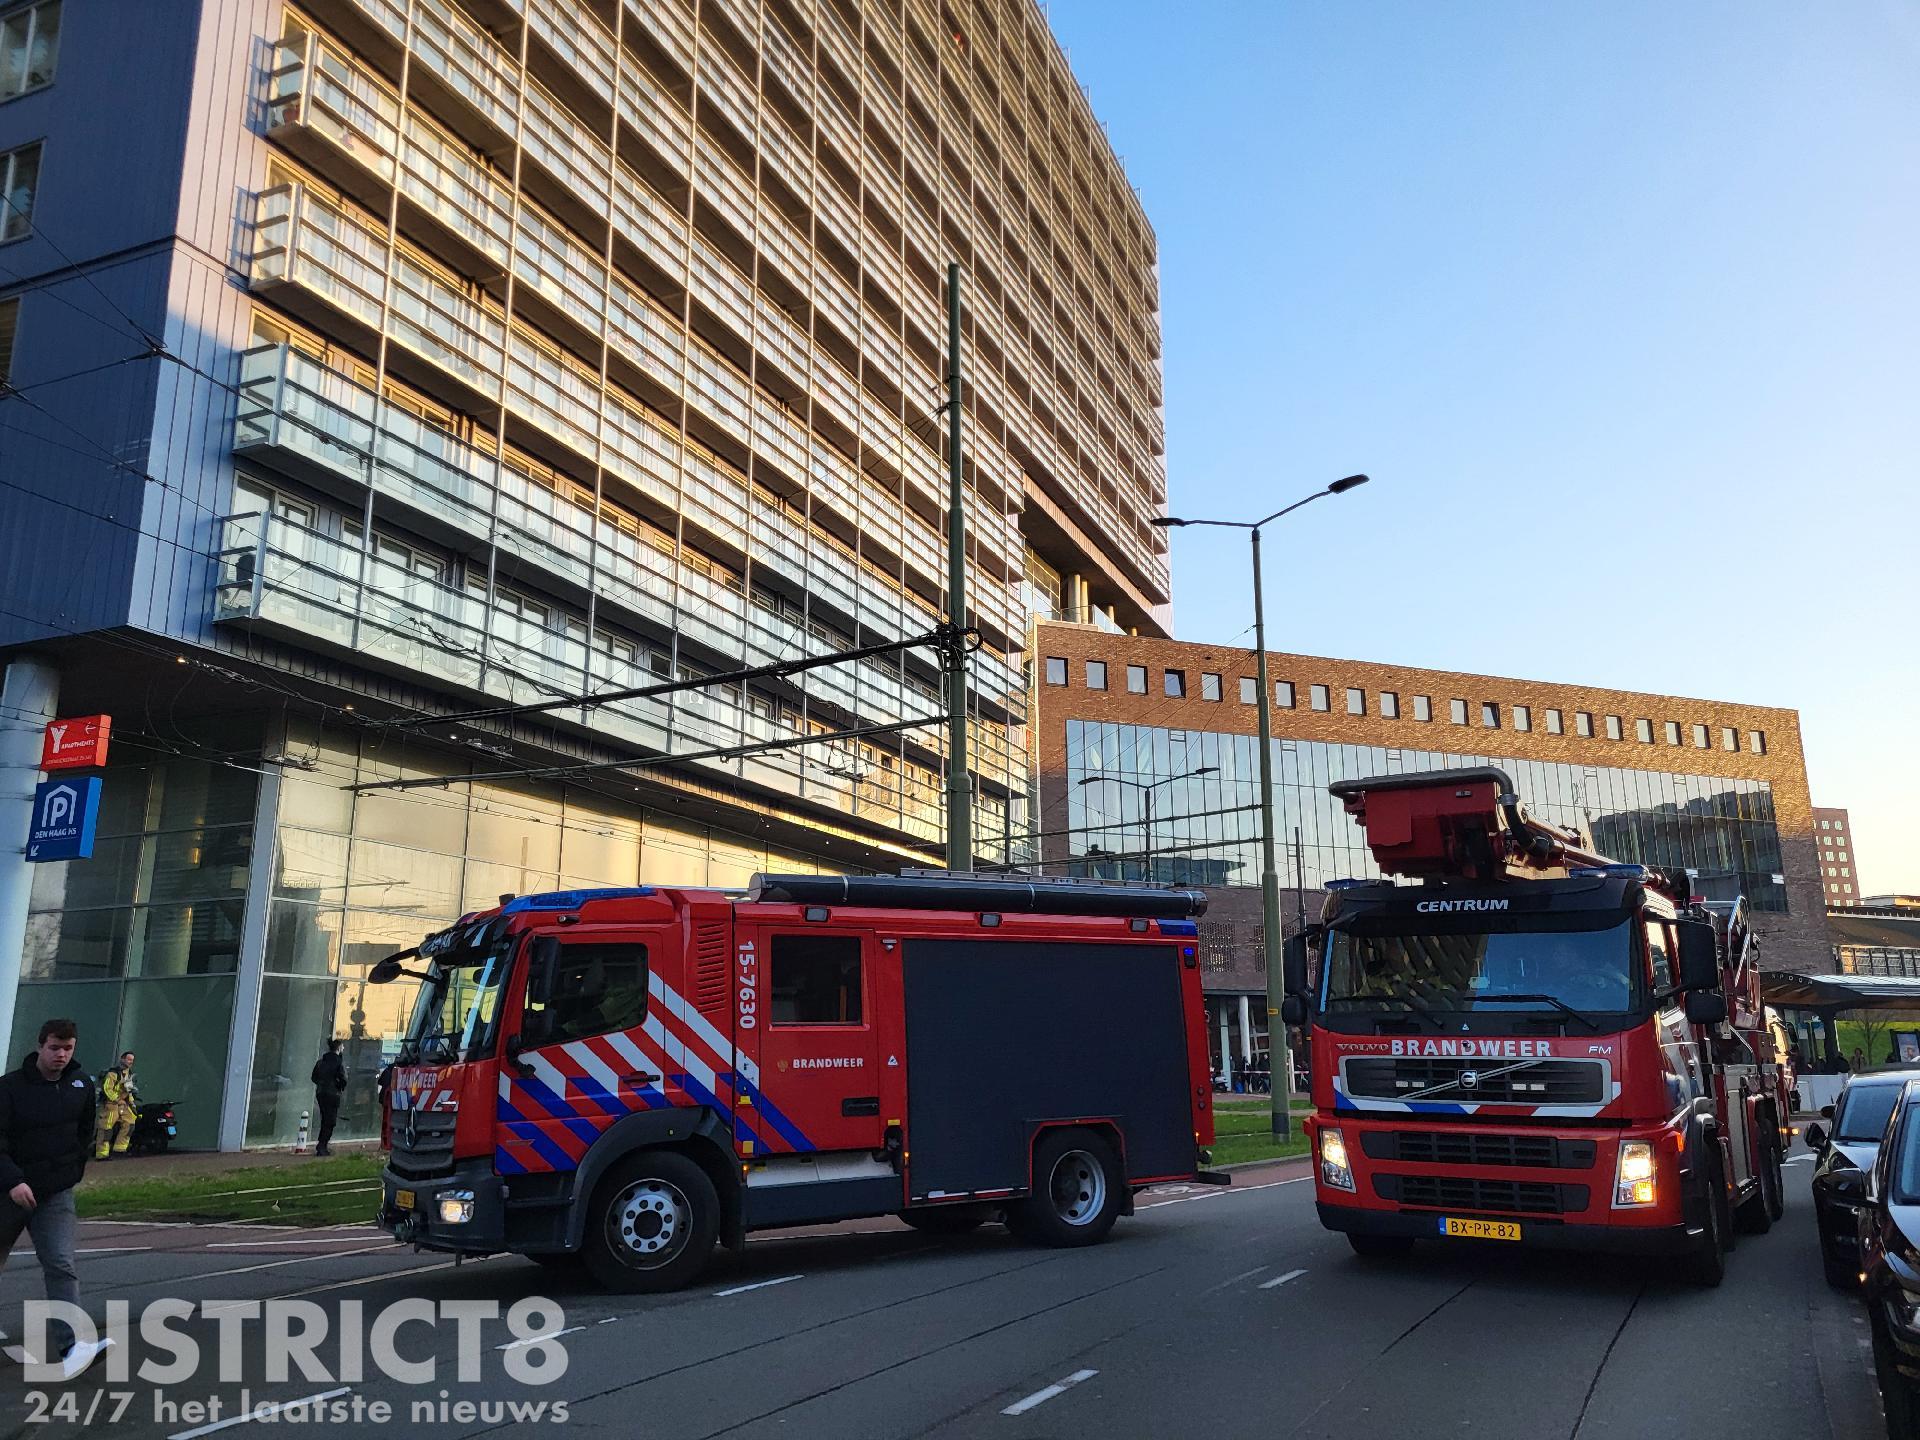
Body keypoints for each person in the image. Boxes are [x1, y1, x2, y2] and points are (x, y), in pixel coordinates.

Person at [0, 1019, 109, 1377]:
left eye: (68, 1048)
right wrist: (13, 1180)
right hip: (8, 1191)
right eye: (54, 1048)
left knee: (61, 1264)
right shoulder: (10, 1088)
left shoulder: (80, 1086)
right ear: (40, 1046)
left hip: (54, 1193)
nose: (61, 1055)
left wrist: (70, 1174)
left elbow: (83, 1135)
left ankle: (72, 1347)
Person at [94, 1050, 138, 1161]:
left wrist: (132, 1104)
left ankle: (119, 1150)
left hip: (124, 1103)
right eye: (128, 1059)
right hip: (111, 1104)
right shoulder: (113, 1073)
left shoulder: (129, 1074)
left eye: (132, 1060)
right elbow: (107, 1088)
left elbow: (129, 1090)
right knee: (106, 1128)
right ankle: (102, 1154)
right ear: (122, 1059)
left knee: (130, 1123)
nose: (130, 1062)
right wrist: (117, 1099)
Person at [310, 1039, 347, 1157]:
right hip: (333, 1094)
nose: (343, 1049)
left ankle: (322, 1145)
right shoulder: (338, 1062)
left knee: (324, 1118)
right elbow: (343, 1079)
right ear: (339, 1048)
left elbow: (314, 1077)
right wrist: (339, 1087)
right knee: (330, 1121)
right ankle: (322, 1146)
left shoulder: (321, 1062)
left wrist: (322, 1084)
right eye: (342, 1047)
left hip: (321, 1093)